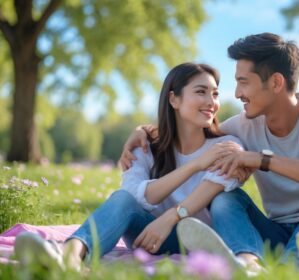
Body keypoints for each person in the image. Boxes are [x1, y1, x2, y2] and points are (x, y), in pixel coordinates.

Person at [120, 33, 299, 268]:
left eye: (243, 82)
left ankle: (291, 269)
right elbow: (195, 128)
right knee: (225, 198)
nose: (237, 93)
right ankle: (248, 263)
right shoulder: (244, 126)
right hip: (280, 233)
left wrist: (263, 160)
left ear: (275, 82)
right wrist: (144, 131)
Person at [14, 63, 251, 271]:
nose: (212, 102)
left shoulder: (226, 146)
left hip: (202, 241)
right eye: (201, 92)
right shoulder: (145, 147)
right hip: (149, 237)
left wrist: (170, 218)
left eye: (216, 94)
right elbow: (136, 194)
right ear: (173, 99)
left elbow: (222, 183)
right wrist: (195, 165)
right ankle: (70, 256)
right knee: (122, 198)